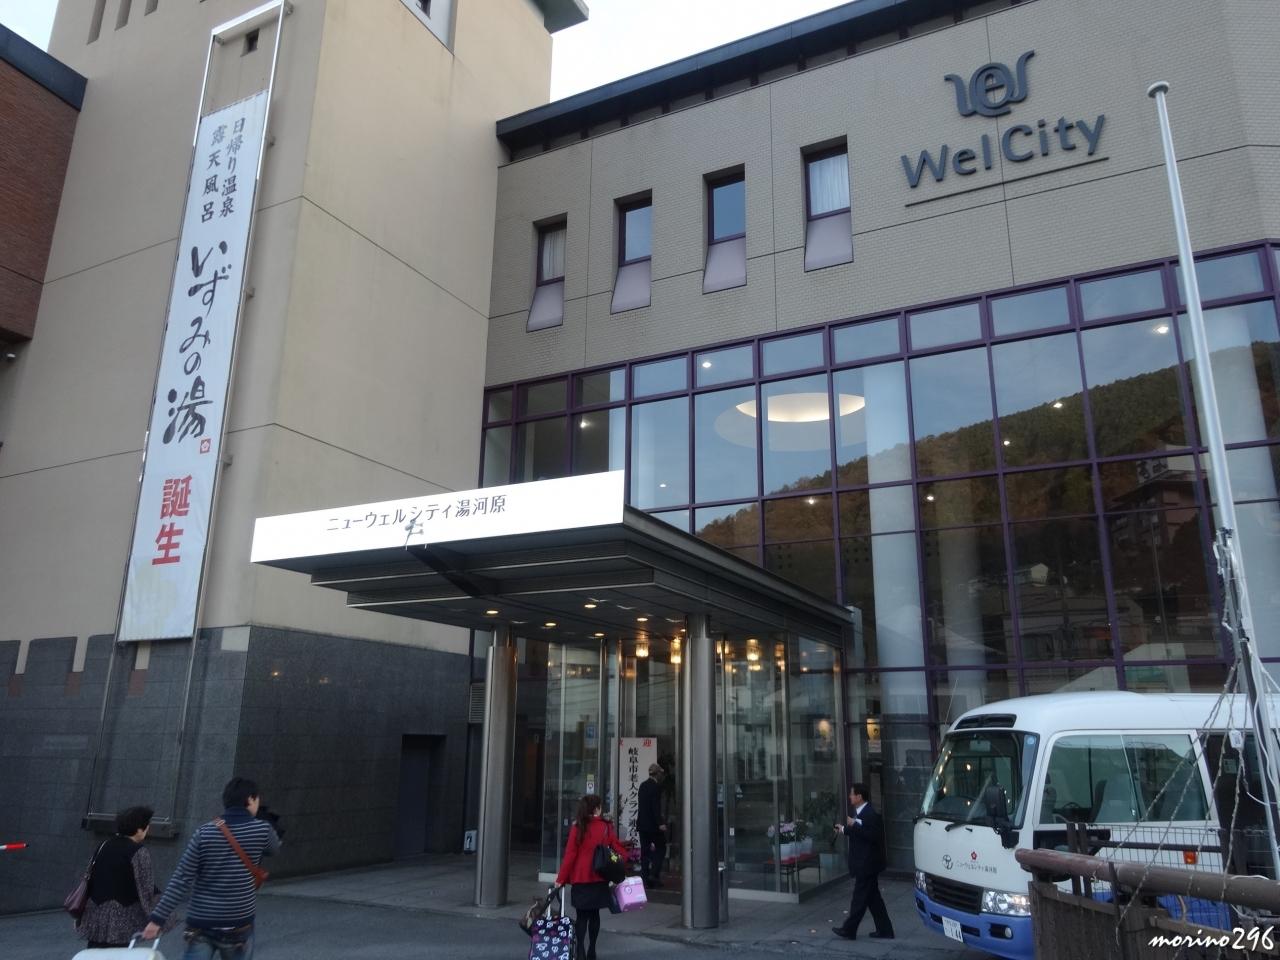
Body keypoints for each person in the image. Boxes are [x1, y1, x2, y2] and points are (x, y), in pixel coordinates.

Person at [142, 776, 282, 959]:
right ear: (250, 799)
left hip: (201, 923)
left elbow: (182, 878)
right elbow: (274, 848)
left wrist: (157, 919)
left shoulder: (205, 832)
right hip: (237, 924)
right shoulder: (262, 830)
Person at [75, 805, 167, 948]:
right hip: (122, 919)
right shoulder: (139, 851)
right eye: (147, 826)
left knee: (95, 953)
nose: (148, 829)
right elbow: (146, 888)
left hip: (96, 917)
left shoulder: (104, 845)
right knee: (118, 953)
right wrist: (160, 916)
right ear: (139, 829)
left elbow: (89, 876)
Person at [555, 794, 628, 960]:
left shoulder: (578, 827)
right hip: (599, 877)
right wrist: (625, 861)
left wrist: (561, 879)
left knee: (581, 916)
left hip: (580, 878)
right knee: (595, 915)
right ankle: (592, 950)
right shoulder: (605, 827)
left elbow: (570, 855)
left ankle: (580, 950)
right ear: (596, 808)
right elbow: (617, 849)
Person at [831, 783, 894, 941]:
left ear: (859, 797)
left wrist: (853, 825)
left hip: (867, 864)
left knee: (859, 899)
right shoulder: (860, 812)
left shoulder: (870, 813)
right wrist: (844, 829)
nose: (850, 797)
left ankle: (849, 929)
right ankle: (885, 930)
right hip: (865, 863)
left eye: (852, 794)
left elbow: (872, 835)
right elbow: (860, 832)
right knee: (873, 899)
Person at [636, 763, 666, 887]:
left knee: (645, 852)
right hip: (653, 826)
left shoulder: (642, 786)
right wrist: (660, 823)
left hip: (642, 825)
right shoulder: (656, 787)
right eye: (660, 773)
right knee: (661, 848)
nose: (661, 775)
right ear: (657, 774)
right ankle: (653, 874)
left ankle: (645, 879)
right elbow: (655, 807)